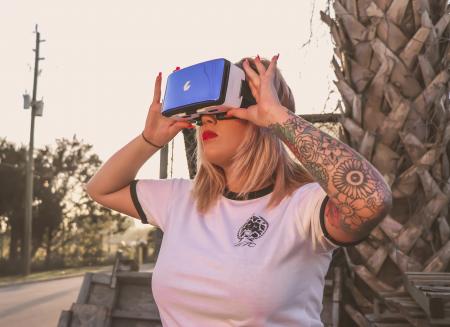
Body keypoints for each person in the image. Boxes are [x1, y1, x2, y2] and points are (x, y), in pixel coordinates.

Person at [85, 54, 392, 327]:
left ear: (260, 115)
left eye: (220, 112)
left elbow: (372, 200)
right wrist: (148, 140)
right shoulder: (181, 199)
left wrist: (278, 119)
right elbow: (101, 189)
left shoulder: (304, 205)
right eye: (202, 114)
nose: (206, 120)